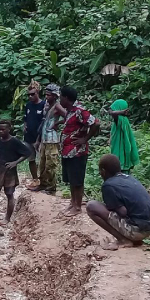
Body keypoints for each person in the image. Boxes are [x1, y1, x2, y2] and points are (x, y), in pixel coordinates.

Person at [87, 154, 150, 250]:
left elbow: (123, 212)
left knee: (91, 206)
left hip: (137, 230)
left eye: (100, 171)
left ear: (103, 171)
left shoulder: (108, 185)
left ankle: (123, 240)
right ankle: (135, 239)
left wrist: (111, 206)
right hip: (149, 228)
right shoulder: (129, 178)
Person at [60, 85, 100, 216]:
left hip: (77, 152)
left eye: (61, 96)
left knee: (77, 180)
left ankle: (77, 207)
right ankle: (73, 203)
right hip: (67, 152)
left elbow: (95, 123)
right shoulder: (70, 111)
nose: (59, 99)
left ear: (66, 98)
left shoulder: (79, 110)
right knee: (71, 179)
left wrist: (85, 139)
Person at [0, 120, 31, 223]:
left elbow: (27, 152)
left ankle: (7, 219)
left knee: (9, 194)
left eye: (3, 129)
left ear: (9, 129)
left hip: (10, 171)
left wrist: (15, 162)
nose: (1, 131)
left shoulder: (14, 141)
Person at [31, 83, 66, 194]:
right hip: (45, 138)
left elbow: (68, 116)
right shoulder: (46, 105)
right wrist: (38, 140)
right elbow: (43, 123)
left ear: (55, 96)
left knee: (51, 164)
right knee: (42, 163)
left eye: (49, 95)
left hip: (52, 139)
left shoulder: (57, 106)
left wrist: (58, 123)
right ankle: (43, 184)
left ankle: (51, 187)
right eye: (46, 95)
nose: (47, 97)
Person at [23, 80, 46, 187]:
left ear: (38, 92)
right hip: (28, 137)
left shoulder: (44, 105)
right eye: (29, 95)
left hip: (40, 137)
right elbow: (25, 118)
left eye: (33, 94)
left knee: (42, 160)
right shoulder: (28, 105)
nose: (30, 96)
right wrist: (25, 126)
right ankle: (35, 179)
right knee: (31, 159)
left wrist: (39, 139)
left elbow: (44, 122)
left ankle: (44, 180)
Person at [109, 99, 139, 174]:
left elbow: (112, 113)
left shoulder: (119, 120)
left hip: (119, 155)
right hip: (125, 153)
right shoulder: (125, 120)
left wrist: (121, 112)